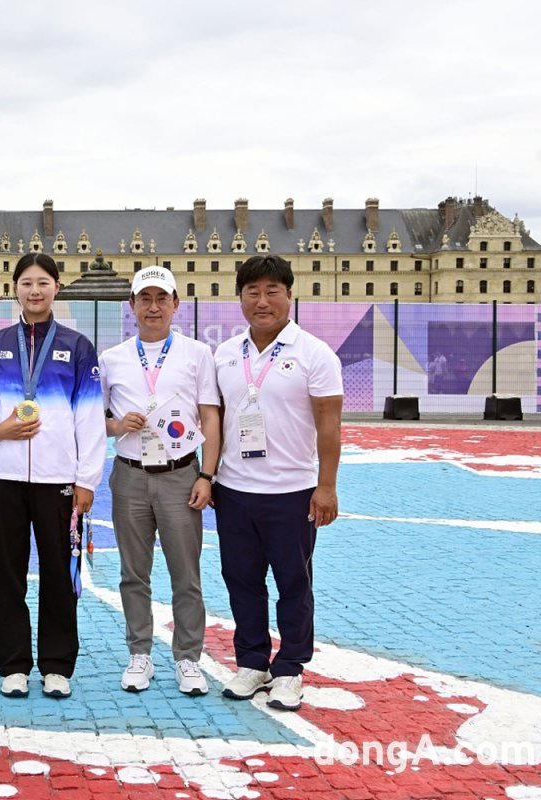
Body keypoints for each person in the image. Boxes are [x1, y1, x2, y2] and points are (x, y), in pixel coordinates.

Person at [213, 254, 343, 712]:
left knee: (293, 582)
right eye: (253, 292)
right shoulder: (226, 353)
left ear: (289, 295)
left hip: (292, 492)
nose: (262, 301)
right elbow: (218, 420)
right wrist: (210, 478)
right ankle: (251, 662)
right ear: (241, 298)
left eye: (272, 291)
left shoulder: (315, 354)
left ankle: (289, 668)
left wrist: (325, 486)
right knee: (241, 581)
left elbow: (329, 425)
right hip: (234, 490)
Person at [0, 252, 106, 699]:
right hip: (4, 478)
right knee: (5, 574)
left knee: (59, 573)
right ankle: (13, 665)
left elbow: (90, 418)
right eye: (27, 283)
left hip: (59, 482)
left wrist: (87, 479)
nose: (35, 291)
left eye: (43, 283)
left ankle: (56, 665)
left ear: (57, 287)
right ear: (14, 288)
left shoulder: (78, 345)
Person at [99, 266, 220, 695]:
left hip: (180, 475)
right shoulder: (111, 359)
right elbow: (96, 419)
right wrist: (116, 426)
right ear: (131, 306)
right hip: (130, 475)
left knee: (185, 574)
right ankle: (140, 653)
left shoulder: (197, 354)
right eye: (144, 299)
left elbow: (209, 415)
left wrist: (207, 474)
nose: (153, 306)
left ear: (175, 305)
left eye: (161, 298)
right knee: (134, 573)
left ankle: (188, 659)